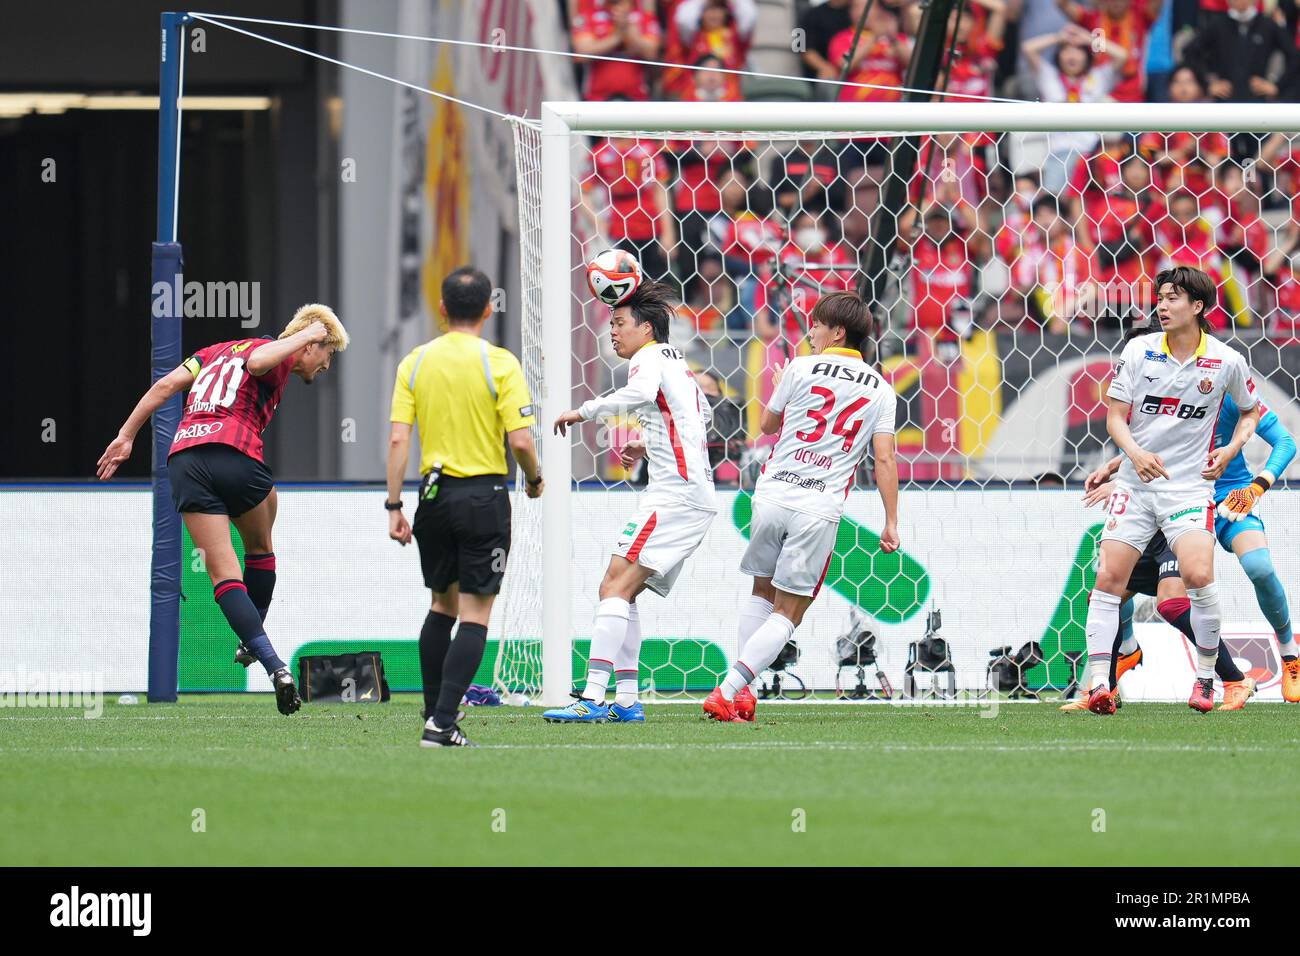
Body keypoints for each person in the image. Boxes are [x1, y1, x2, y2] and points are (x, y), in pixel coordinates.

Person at [97, 304, 350, 714]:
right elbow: (257, 361)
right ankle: (253, 635)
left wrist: (126, 436)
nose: (325, 365)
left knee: (223, 573)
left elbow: (164, 388)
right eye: (328, 353)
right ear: (312, 344)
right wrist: (303, 336)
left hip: (185, 460)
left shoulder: (212, 351)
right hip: (233, 455)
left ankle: (273, 665)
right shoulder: (278, 351)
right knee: (261, 547)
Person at [705, 291, 899, 722]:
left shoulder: (799, 365)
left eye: (816, 325)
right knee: (789, 611)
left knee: (760, 591)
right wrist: (890, 521)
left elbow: (767, 426)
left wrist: (782, 391)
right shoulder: (881, 389)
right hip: (817, 506)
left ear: (837, 332)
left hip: (772, 495)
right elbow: (883, 458)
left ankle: (741, 693)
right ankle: (728, 690)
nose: (810, 332)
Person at [1081, 266, 1261, 714]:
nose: (1162, 305)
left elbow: (1251, 412)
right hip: (1136, 489)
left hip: (1187, 490)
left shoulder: (1226, 361)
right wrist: (1133, 457)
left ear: (1197, 307)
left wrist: (1232, 448)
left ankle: (1207, 681)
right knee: (1108, 582)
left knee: (1198, 577)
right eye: (1159, 297)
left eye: (1173, 298)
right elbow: (1115, 418)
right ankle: (1097, 687)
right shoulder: (1139, 351)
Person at [543, 282, 717, 723]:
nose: (613, 333)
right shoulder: (677, 364)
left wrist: (583, 411)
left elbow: (639, 396)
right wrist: (647, 440)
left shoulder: (649, 357)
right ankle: (624, 700)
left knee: (613, 588)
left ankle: (594, 698)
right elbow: (703, 414)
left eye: (620, 323)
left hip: (673, 495)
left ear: (645, 328)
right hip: (687, 492)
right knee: (622, 592)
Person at [386, 267, 543, 748]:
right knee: (476, 614)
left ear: (442, 308)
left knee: (440, 605)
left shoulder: (415, 361)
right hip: (483, 497)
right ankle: (442, 724)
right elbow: (519, 441)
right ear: (489, 309)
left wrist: (394, 505)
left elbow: (398, 437)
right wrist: (535, 479)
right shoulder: (500, 364)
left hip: (432, 497)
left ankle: (434, 714)